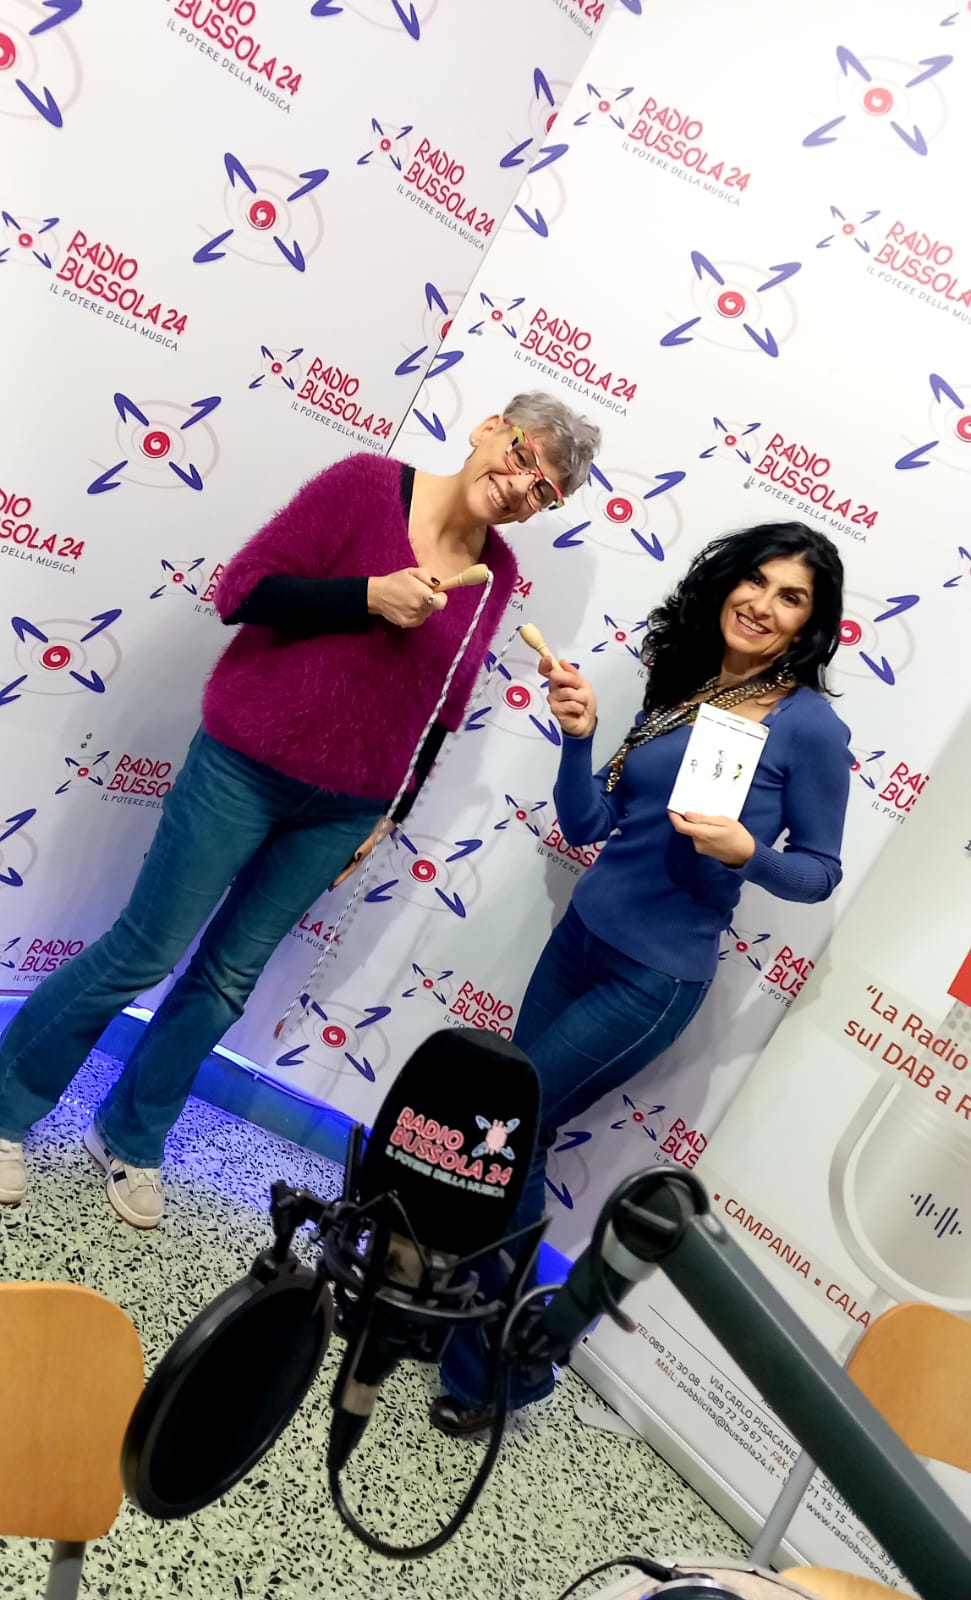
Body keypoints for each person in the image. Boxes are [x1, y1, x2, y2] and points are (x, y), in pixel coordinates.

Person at [0, 395, 601, 1228]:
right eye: (524, 457)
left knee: (225, 981)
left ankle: (132, 1135)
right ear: (488, 430)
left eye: (545, 491)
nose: (521, 486)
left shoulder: (492, 573)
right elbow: (241, 592)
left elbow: (444, 706)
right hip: (242, 767)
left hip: (348, 807)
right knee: (144, 952)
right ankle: (7, 1109)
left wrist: (392, 812)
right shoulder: (364, 486)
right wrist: (367, 597)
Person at [431, 520, 852, 1435]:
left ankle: (505, 1367)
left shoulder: (810, 727)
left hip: (652, 979)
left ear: (809, 625)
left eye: (791, 598)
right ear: (727, 582)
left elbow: (820, 870)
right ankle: (470, 1326)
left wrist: (747, 853)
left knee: (513, 1134)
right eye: (756, 581)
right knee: (503, 1132)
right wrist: (576, 738)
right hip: (579, 939)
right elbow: (589, 825)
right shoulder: (686, 683)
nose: (763, 605)